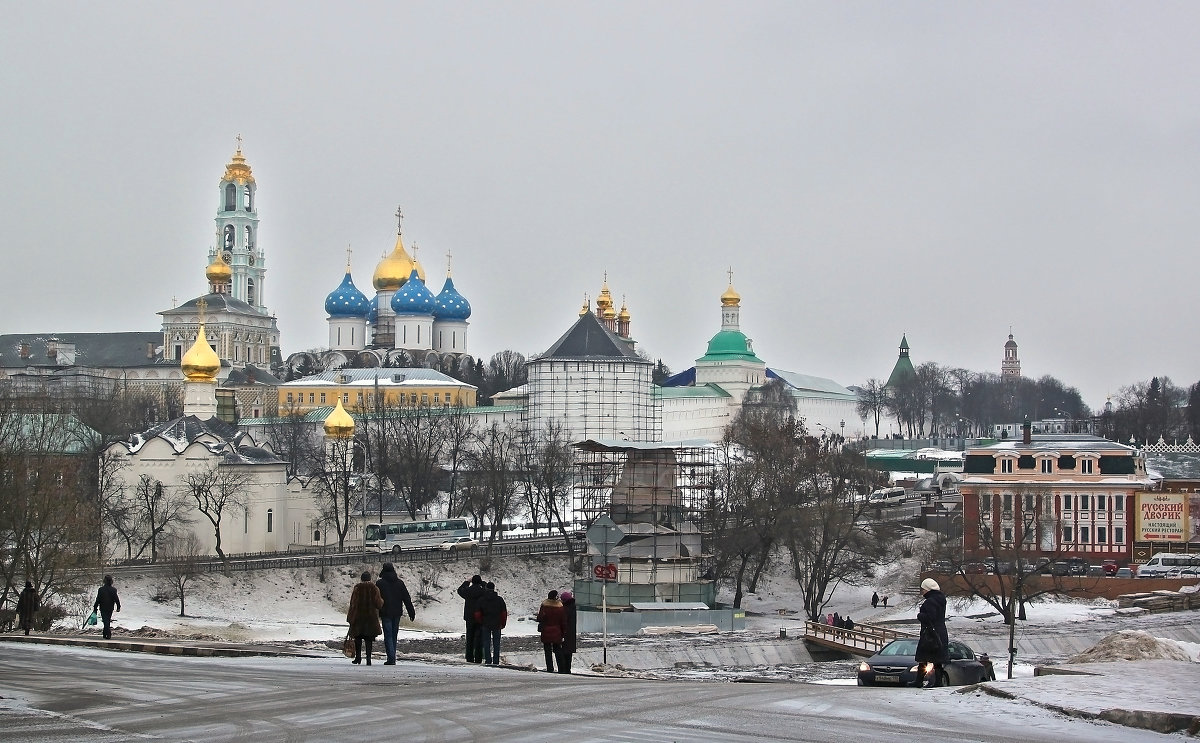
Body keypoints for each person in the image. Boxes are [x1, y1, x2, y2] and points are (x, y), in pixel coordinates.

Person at [376, 563, 415, 665]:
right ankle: (392, 657)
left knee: (388, 635)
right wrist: (411, 611)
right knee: (394, 635)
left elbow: (375, 599)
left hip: (385, 612)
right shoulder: (400, 583)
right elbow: (406, 598)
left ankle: (391, 658)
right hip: (397, 612)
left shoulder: (380, 584)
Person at [915, 577, 950, 688]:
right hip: (941, 632)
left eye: (923, 589)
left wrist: (920, 615)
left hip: (930, 633)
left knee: (923, 658)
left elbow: (930, 617)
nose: (922, 591)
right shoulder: (941, 600)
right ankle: (938, 682)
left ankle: (918, 681)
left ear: (928, 589)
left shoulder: (930, 601)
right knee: (937, 660)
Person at [347, 571, 383, 665]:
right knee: (369, 640)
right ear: (370, 578)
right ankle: (368, 659)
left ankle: (358, 658)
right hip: (371, 618)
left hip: (359, 617)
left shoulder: (357, 588)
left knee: (358, 638)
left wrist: (351, 617)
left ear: (362, 579)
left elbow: (353, 604)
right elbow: (379, 604)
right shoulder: (374, 588)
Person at [457, 574, 486, 663]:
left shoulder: (468, 591)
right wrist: (483, 584)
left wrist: (466, 582)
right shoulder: (483, 592)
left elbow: (459, 590)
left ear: (472, 582)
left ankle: (469, 657)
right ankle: (478, 658)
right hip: (480, 617)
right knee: (479, 638)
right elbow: (488, 590)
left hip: (469, 617)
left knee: (469, 637)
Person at [535, 589, 566, 673]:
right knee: (558, 650)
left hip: (546, 631)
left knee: (547, 650)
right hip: (557, 631)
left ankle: (550, 668)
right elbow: (563, 621)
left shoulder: (544, 606)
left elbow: (540, 618)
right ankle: (561, 668)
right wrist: (563, 632)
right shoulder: (560, 607)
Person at [478, 581, 507, 666]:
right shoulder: (499, 600)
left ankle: (488, 660)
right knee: (496, 644)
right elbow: (504, 613)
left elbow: (478, 613)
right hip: (497, 624)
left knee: (486, 643)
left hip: (485, 623)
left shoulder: (482, 600)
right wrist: (503, 623)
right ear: (494, 588)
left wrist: (481, 622)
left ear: (486, 588)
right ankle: (496, 661)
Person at [559, 590, 577, 674]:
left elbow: (563, 621)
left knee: (563, 652)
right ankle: (568, 669)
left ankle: (563, 669)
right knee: (569, 653)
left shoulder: (565, 609)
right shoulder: (573, 607)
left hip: (565, 632)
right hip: (571, 633)